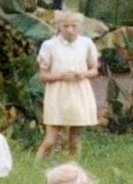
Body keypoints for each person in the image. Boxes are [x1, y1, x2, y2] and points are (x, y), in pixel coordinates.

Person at [35, 11, 99, 159]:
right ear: (59, 26)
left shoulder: (86, 44)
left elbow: (94, 70)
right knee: (50, 139)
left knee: (74, 139)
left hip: (78, 92)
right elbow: (43, 75)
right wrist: (61, 76)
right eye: (65, 26)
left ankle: (73, 167)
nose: (70, 30)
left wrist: (81, 74)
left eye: (74, 26)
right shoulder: (50, 45)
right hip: (58, 94)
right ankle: (35, 166)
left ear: (79, 27)